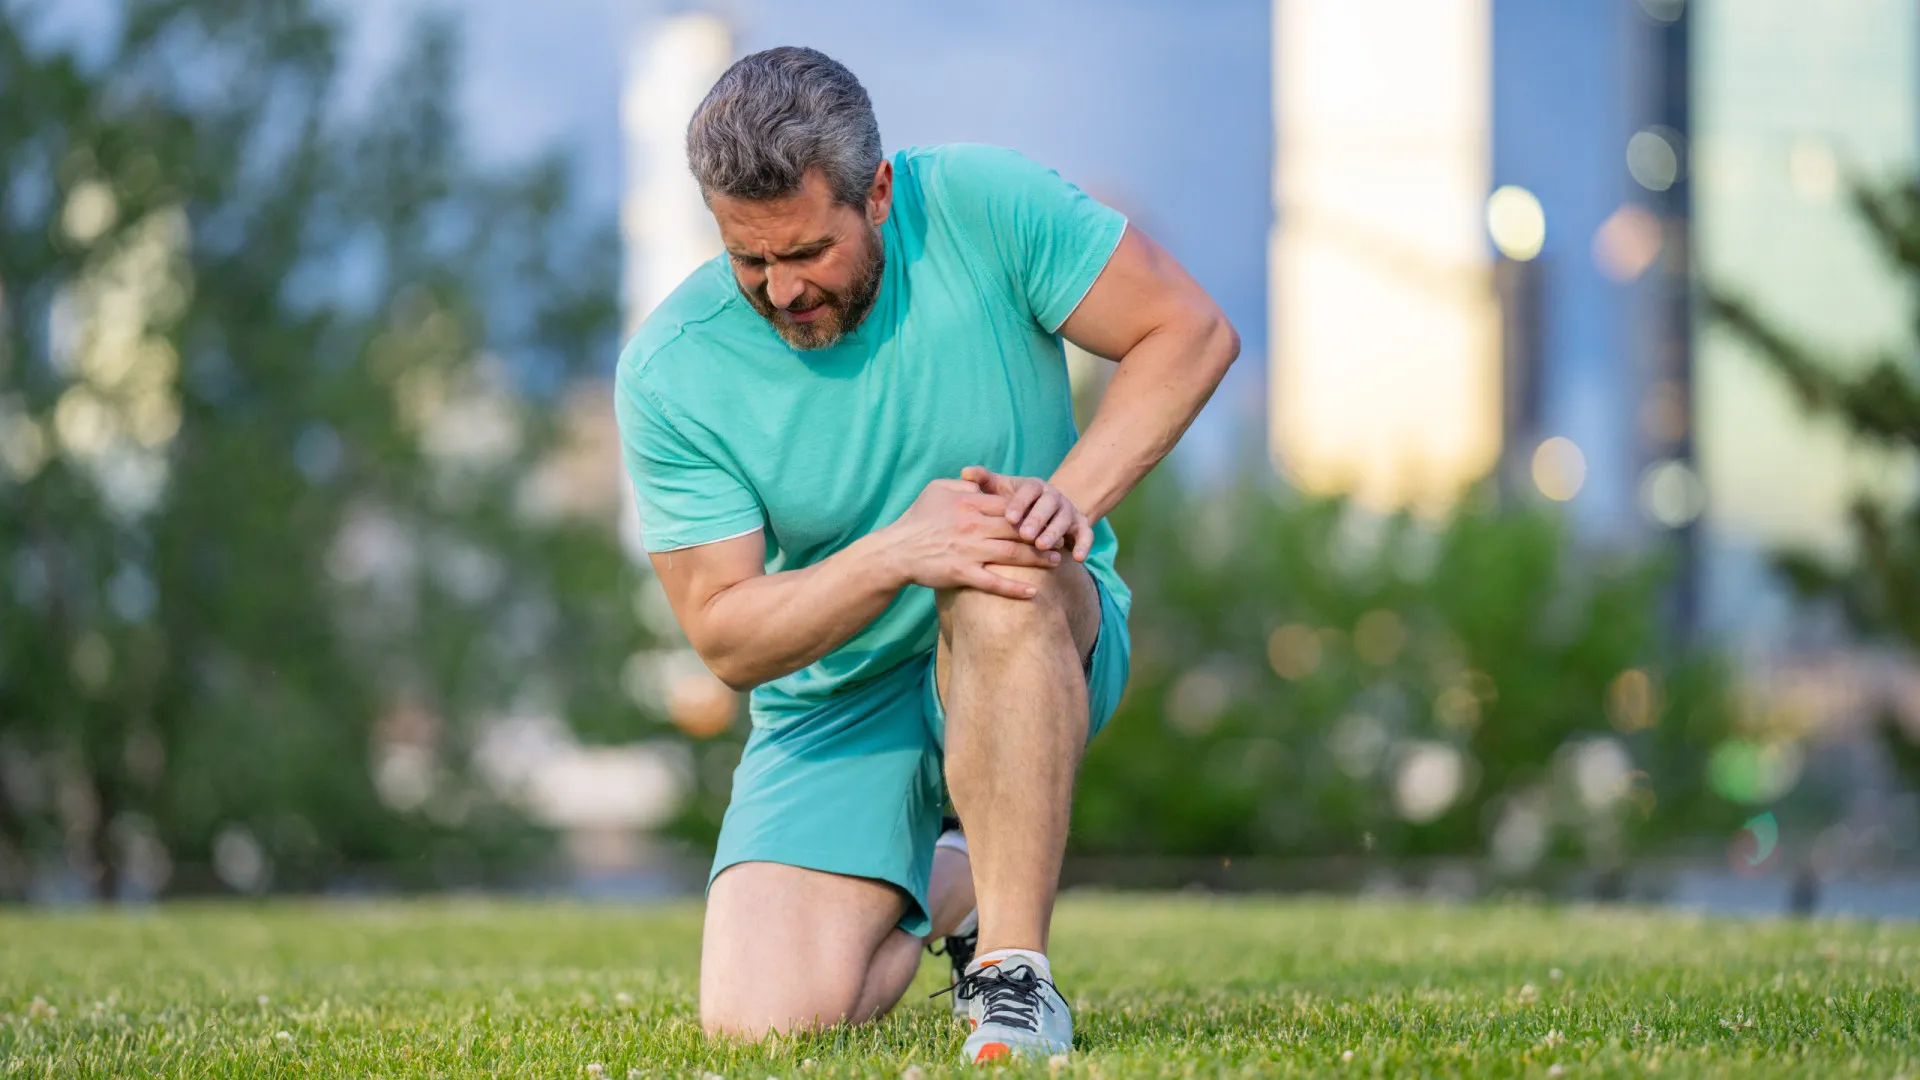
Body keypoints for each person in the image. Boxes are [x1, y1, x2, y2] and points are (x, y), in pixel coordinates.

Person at [614, 46, 1237, 1065]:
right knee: (762, 1021)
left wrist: (1060, 503)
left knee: (992, 560)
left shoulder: (986, 206)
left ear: (880, 192)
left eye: (810, 251)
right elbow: (724, 635)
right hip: (837, 697)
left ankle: (1013, 981)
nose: (781, 290)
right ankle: (960, 874)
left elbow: (1190, 331)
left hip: (1030, 620)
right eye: (749, 258)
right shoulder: (673, 372)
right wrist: (896, 552)